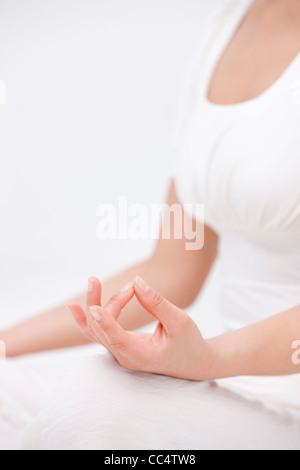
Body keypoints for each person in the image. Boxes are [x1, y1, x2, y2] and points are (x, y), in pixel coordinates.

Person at [2, 0, 300, 449]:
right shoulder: (223, 30)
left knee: (91, 399)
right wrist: (4, 343)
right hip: (234, 379)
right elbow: (172, 269)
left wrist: (208, 358)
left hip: (270, 387)